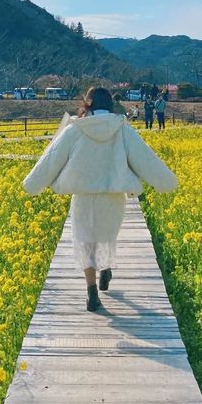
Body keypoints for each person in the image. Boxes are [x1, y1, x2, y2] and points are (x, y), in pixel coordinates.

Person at [23, 87, 178, 311]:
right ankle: (105, 269)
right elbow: (145, 158)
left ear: (88, 104)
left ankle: (91, 291)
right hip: (113, 196)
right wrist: (166, 182)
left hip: (84, 197)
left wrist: (32, 184)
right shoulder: (122, 128)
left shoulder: (74, 129)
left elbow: (51, 159)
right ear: (110, 105)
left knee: (85, 240)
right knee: (106, 235)